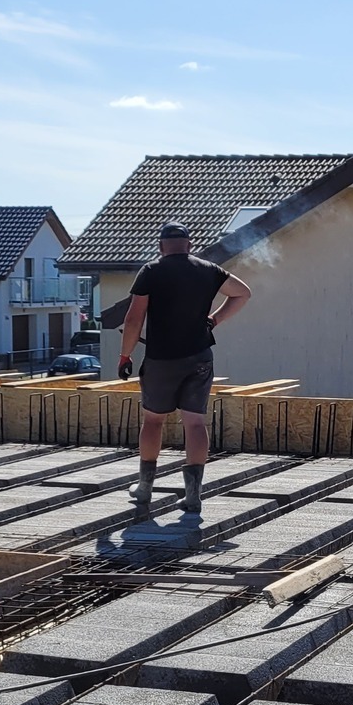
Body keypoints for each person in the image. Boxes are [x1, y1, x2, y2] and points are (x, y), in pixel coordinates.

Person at [116, 221, 251, 520]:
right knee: (195, 424)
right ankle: (193, 496)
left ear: (161, 247)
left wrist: (125, 355)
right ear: (189, 245)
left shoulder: (151, 271)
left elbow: (134, 318)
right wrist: (214, 320)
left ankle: (145, 488)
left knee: (153, 421)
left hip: (161, 359)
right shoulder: (209, 269)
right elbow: (242, 293)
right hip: (200, 357)